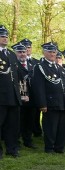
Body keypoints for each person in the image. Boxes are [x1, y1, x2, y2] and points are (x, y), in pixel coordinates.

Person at [31, 42, 65, 154]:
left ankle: (59, 147)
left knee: (62, 127)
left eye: (54, 52)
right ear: (44, 52)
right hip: (50, 102)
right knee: (51, 127)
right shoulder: (40, 67)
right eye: (49, 51)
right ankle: (49, 147)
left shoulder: (59, 68)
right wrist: (42, 104)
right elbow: (38, 87)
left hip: (63, 102)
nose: (52, 54)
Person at [0, 26, 22, 159]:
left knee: (12, 125)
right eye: (2, 36)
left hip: (13, 96)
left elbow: (16, 76)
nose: (5, 38)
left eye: (6, 36)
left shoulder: (12, 54)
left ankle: (12, 148)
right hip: (1, 97)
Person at [14, 42, 36, 150]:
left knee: (29, 121)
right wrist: (21, 96)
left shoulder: (32, 65)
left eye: (24, 52)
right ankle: (16, 142)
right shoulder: (13, 65)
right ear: (15, 53)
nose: (22, 54)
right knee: (18, 122)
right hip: (19, 98)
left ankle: (28, 141)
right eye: (19, 52)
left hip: (31, 99)